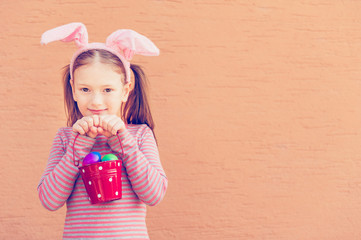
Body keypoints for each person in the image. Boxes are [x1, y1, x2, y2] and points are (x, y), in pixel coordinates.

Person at [37, 22, 168, 240]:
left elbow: (154, 195)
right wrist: (77, 149)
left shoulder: (139, 136)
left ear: (125, 91)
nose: (96, 101)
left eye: (107, 89)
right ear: (74, 90)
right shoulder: (65, 139)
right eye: (85, 89)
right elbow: (49, 200)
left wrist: (123, 143)